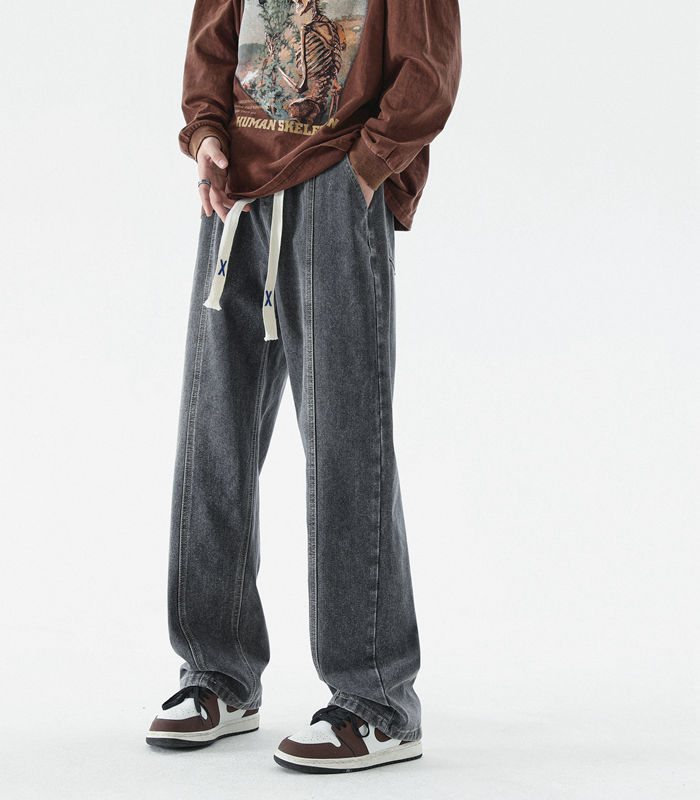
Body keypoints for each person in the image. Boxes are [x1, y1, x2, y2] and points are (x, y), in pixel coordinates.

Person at [146, 0, 461, 774]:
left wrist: (365, 170)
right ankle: (217, 672)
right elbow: (214, 37)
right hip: (235, 199)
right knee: (213, 436)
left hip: (333, 190)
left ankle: (376, 698)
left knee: (345, 441)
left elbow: (428, 69)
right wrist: (207, 132)